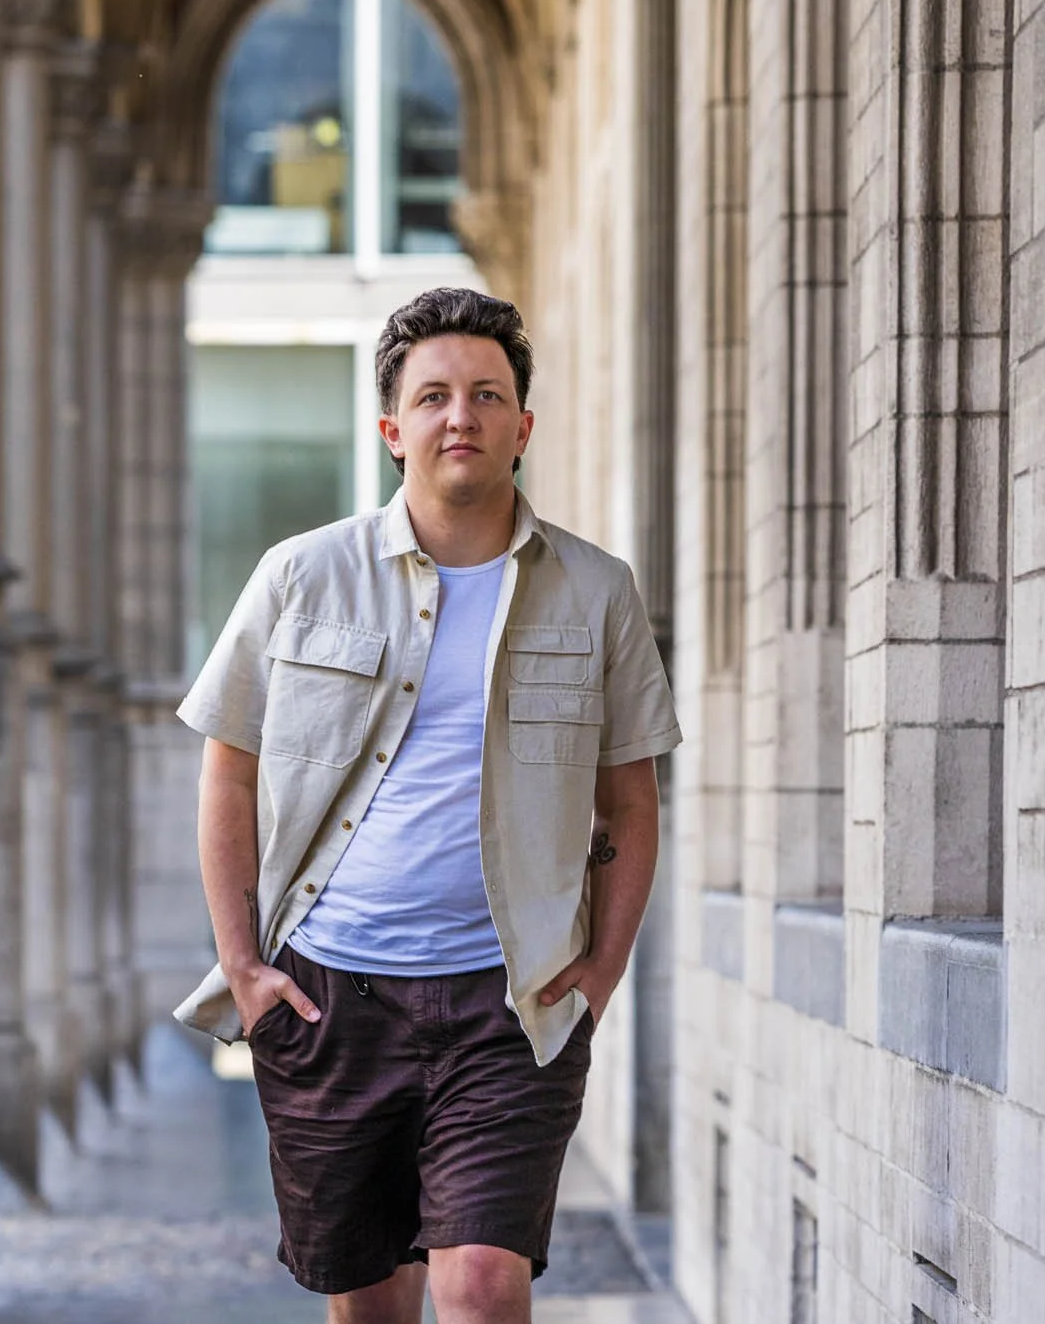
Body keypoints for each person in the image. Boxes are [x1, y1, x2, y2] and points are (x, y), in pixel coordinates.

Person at [174, 288, 681, 1324]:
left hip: (510, 1003)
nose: (461, 415)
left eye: (486, 394)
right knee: (369, 1300)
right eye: (435, 395)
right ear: (390, 427)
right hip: (329, 994)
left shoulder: (595, 590)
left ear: (521, 427)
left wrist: (597, 974)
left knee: (482, 1282)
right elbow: (227, 769)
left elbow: (630, 800)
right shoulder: (299, 577)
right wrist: (242, 965)